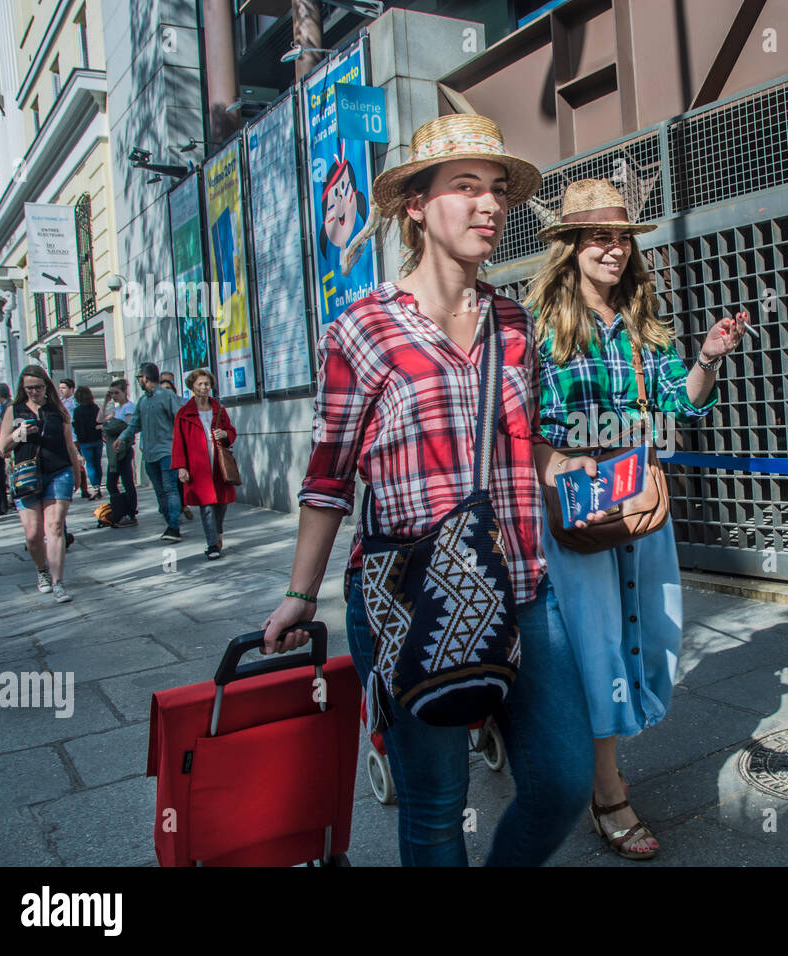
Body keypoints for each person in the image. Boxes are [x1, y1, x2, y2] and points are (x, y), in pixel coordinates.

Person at [261, 113, 602, 867]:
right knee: (435, 807)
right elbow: (328, 476)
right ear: (416, 205)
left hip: (520, 583)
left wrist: (578, 473)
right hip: (410, 597)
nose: (490, 206)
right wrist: (300, 593)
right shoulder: (362, 327)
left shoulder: (514, 323)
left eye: (497, 193)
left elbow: (528, 441)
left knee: (562, 780)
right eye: (466, 187)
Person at [525, 178, 748, 860]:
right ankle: (608, 792)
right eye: (600, 238)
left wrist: (708, 356)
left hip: (640, 508)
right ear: (569, 248)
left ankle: (566, 751)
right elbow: (517, 425)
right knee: (595, 649)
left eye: (621, 239)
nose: (614, 250)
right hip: (576, 509)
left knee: (646, 638)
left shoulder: (645, 326)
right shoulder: (536, 329)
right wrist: (555, 468)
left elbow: (682, 403)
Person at [0, 365, 88, 602]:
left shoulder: (58, 410)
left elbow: (69, 444)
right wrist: (18, 435)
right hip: (26, 475)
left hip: (59, 472)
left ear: (46, 386)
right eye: (29, 388)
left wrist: (77, 474)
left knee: (55, 527)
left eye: (38, 387)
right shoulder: (13, 410)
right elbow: (2, 448)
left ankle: (58, 583)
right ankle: (42, 571)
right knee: (33, 534)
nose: (34, 392)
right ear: (22, 388)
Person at [172, 369, 235, 560]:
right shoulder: (184, 413)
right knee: (206, 505)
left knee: (222, 503)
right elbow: (178, 442)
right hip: (198, 466)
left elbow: (231, 431)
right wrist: (181, 467)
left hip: (218, 464)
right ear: (192, 386)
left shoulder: (219, 409)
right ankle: (212, 544)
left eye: (207, 384)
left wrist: (226, 435)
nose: (204, 387)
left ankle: (218, 532)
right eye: (200, 384)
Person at [118, 362, 183, 542]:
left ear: (145, 378)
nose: (139, 380)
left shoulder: (167, 396)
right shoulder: (143, 401)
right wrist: (122, 437)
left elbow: (180, 420)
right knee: (159, 490)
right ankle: (169, 520)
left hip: (167, 451)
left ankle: (174, 526)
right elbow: (134, 424)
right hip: (149, 453)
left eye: (139, 377)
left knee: (169, 488)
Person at [98, 379, 137, 519]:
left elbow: (128, 426)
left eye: (116, 393)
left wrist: (110, 428)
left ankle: (130, 511)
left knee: (127, 482)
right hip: (113, 451)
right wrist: (105, 401)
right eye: (112, 393)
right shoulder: (117, 409)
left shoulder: (128, 407)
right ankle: (121, 509)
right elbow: (100, 419)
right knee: (111, 483)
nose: (114, 396)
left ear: (124, 392)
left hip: (123, 450)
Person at [159, 372, 193, 522]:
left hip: (180, 446)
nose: (166, 392)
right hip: (165, 449)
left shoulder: (182, 404)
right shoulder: (156, 406)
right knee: (169, 484)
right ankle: (174, 513)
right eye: (163, 389)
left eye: (168, 388)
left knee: (179, 481)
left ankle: (182, 506)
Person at [71, 386, 103, 499]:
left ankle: (95, 487)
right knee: (97, 463)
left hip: (85, 441)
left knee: (90, 464)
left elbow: (76, 426)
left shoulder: (77, 411)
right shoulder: (95, 408)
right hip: (97, 439)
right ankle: (98, 485)